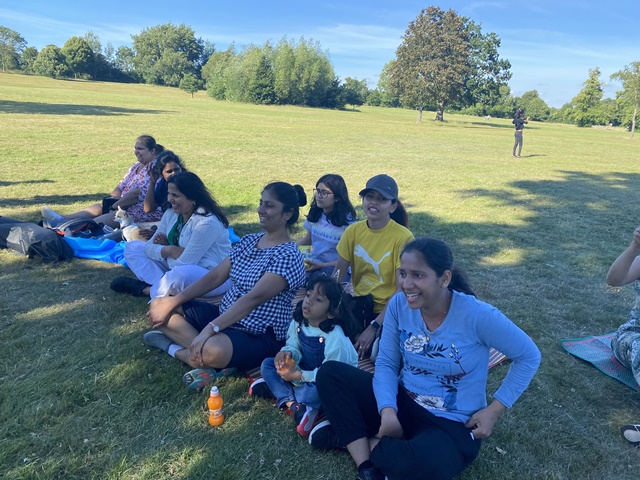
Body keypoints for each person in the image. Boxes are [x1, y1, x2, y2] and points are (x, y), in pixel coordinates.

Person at [310, 238, 541, 480]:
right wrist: (388, 411)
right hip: (403, 400)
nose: (406, 284)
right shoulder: (398, 304)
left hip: (450, 421)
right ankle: (366, 465)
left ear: (445, 278)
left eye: (418, 275)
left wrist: (494, 410)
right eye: (403, 274)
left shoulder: (478, 315)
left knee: (431, 463)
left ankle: (353, 438)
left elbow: (529, 356)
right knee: (330, 374)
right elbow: (387, 363)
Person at [145, 181, 307, 390]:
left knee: (212, 349)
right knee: (159, 306)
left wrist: (209, 329)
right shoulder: (250, 241)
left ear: (287, 214)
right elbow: (215, 277)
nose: (260, 210)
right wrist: (174, 302)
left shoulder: (289, 255)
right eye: (261, 203)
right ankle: (207, 357)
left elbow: (253, 299)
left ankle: (179, 351)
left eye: (269, 206)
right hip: (225, 315)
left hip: (258, 333)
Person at [250, 275, 358, 437]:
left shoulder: (335, 337)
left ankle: (281, 391)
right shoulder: (299, 320)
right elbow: (293, 345)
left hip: (333, 380)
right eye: (308, 294)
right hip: (306, 370)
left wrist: (297, 375)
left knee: (314, 393)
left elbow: (330, 375)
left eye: (318, 299)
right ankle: (295, 405)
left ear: (331, 313)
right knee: (268, 364)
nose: (309, 301)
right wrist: (286, 354)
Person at [110, 171, 232, 299]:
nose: (169, 199)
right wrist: (169, 249)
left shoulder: (206, 223)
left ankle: (148, 290)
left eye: (175, 195)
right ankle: (163, 287)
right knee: (132, 248)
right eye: (169, 194)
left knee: (181, 272)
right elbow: (149, 247)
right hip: (178, 267)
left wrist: (166, 251)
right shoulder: (171, 214)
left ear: (192, 197)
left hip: (213, 278)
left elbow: (184, 264)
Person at [334, 174, 414, 359]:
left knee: (376, 354)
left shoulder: (403, 238)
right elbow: (337, 275)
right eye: (369, 196)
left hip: (389, 310)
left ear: (393, 206)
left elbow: (400, 290)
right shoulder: (352, 231)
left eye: (382, 199)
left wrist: (374, 327)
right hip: (359, 305)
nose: (374, 203)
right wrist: (327, 300)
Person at [41, 135, 164, 229]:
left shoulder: (154, 168)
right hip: (122, 203)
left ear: (152, 151)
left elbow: (136, 194)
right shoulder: (135, 166)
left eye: (140, 149)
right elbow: (121, 186)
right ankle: (62, 219)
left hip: (139, 209)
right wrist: (109, 201)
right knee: (97, 208)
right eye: (135, 148)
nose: (136, 151)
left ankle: (69, 227)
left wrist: (113, 206)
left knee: (104, 218)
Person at [297, 174, 357, 280]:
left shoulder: (348, 223)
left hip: (336, 268)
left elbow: (350, 259)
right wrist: (287, 248)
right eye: (317, 191)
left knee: (318, 281)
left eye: (324, 193)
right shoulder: (315, 214)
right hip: (314, 264)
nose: (319, 196)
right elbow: (308, 239)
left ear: (337, 197)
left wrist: (322, 265)